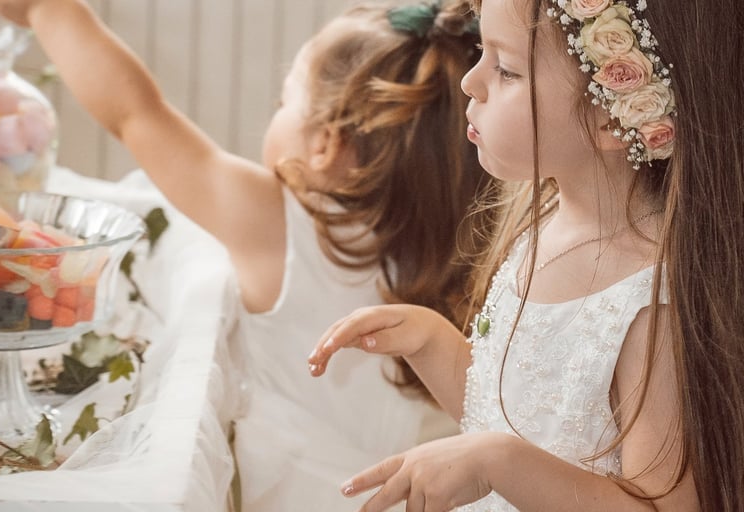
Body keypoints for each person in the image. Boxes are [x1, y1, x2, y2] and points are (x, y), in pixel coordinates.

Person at [0, 0, 495, 509]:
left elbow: (136, 115)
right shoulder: (450, 257)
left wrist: (49, 10)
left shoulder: (284, 227)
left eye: (284, 102)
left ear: (324, 145)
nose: (276, 112)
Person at [308, 0, 744, 510]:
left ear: (611, 117)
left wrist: (498, 462)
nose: (470, 82)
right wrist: (430, 341)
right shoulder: (542, 223)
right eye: (480, 50)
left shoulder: (650, 302)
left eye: (507, 69)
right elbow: (517, 414)